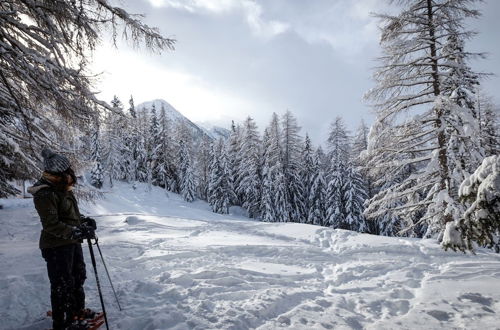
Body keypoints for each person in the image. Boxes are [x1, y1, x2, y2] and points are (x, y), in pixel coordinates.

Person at [28, 148, 98, 330]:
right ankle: (62, 323)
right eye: (68, 169)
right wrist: (74, 232)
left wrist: (84, 222)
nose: (71, 172)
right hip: (55, 246)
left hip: (71, 243)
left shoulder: (63, 189)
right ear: (58, 172)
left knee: (78, 277)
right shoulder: (45, 193)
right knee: (62, 285)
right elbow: (51, 224)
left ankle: (76, 311)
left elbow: (70, 216)